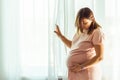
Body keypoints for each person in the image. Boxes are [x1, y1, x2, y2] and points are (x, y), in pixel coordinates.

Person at [54, 7, 104, 80]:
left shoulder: (96, 32)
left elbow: (99, 57)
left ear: (92, 19)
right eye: (79, 23)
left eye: (85, 23)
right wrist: (61, 36)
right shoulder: (80, 32)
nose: (82, 25)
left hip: (87, 73)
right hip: (76, 73)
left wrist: (81, 67)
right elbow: (73, 46)